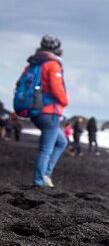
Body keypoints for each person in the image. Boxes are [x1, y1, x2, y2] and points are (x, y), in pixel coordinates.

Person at [21, 35, 69, 188]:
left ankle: (45, 175)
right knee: (46, 148)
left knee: (61, 142)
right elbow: (56, 88)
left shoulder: (32, 64)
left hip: (35, 111)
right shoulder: (52, 65)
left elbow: (19, 84)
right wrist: (65, 101)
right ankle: (39, 181)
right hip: (49, 112)